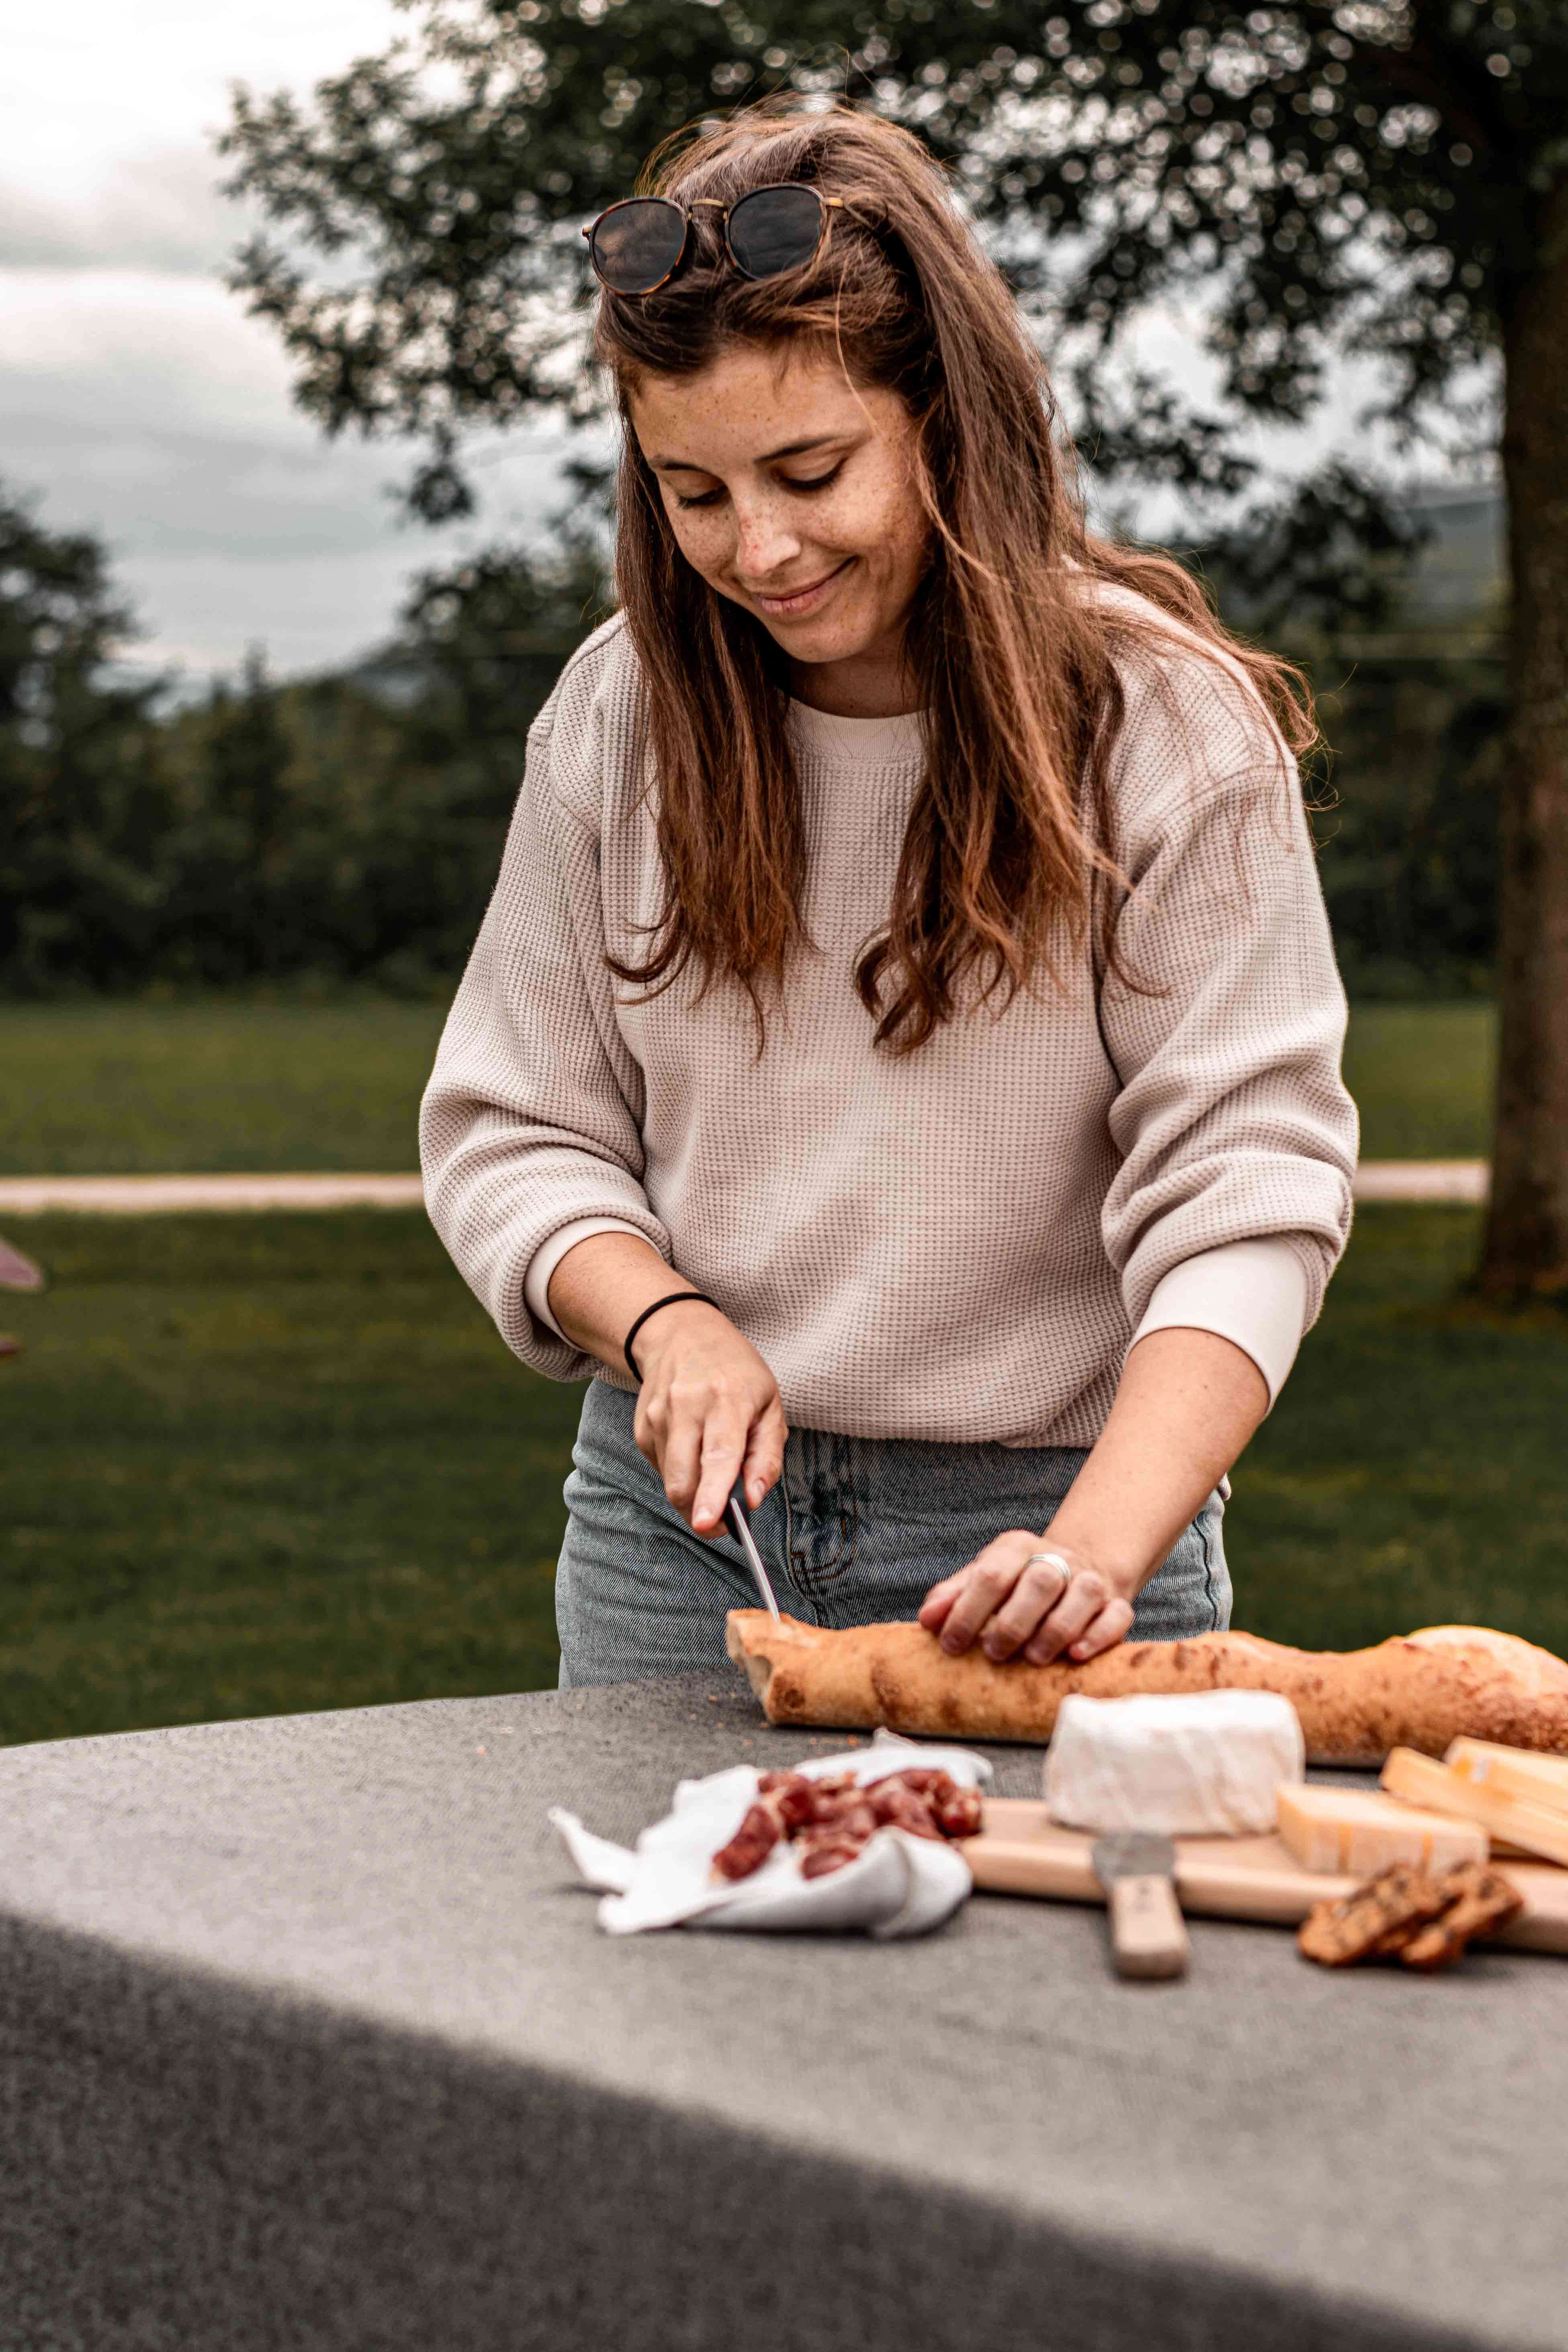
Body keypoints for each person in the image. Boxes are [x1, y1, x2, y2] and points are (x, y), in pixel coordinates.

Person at [420, 101, 1357, 1690]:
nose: (760, 546)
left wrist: (1093, 1549)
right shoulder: (620, 713)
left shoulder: (1165, 727)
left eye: (809, 469)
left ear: (948, 418)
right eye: (692, 491)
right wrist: (665, 1326)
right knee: (658, 1943)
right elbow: (519, 1131)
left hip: (1067, 1524)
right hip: (683, 1541)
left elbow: (1248, 1188)